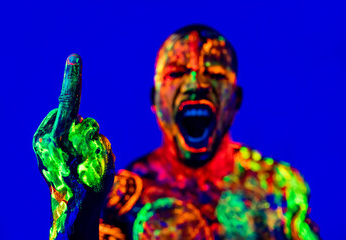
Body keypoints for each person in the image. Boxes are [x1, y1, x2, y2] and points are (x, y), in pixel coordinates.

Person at [33, 25, 320, 240]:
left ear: (236, 101)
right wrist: (75, 211)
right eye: (177, 73)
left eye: (216, 74)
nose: (196, 82)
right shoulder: (119, 197)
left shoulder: (278, 188)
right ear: (155, 101)